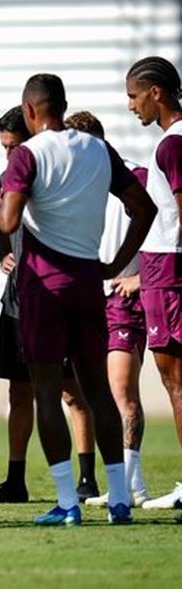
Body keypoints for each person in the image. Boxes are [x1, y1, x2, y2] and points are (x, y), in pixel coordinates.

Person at [0, 73, 155, 526]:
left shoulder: (27, 155)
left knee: (47, 392)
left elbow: (8, 222)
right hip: (90, 281)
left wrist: (5, 203)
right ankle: (119, 499)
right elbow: (143, 209)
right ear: (62, 107)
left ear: (29, 112)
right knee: (98, 391)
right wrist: (117, 263)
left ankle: (68, 502)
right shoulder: (98, 149)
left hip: (43, 286)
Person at [0, 109, 100, 504]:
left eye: (14, 146)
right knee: (19, 391)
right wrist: (2, 255)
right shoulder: (7, 177)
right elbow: (2, 224)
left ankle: (86, 478)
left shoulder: (48, 170)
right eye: (5, 149)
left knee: (73, 391)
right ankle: (16, 480)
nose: (10, 155)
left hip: (53, 295)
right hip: (16, 300)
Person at [62, 110, 151, 509]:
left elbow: (165, 228)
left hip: (122, 298)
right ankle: (116, 485)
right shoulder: (73, 177)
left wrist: (141, 278)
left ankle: (132, 486)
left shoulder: (138, 177)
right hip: (84, 295)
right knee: (79, 391)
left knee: (120, 392)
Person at [124, 56, 182, 519]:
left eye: (133, 95)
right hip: (164, 269)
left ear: (156, 93)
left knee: (176, 382)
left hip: (170, 270)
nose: (131, 106)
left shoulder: (171, 145)